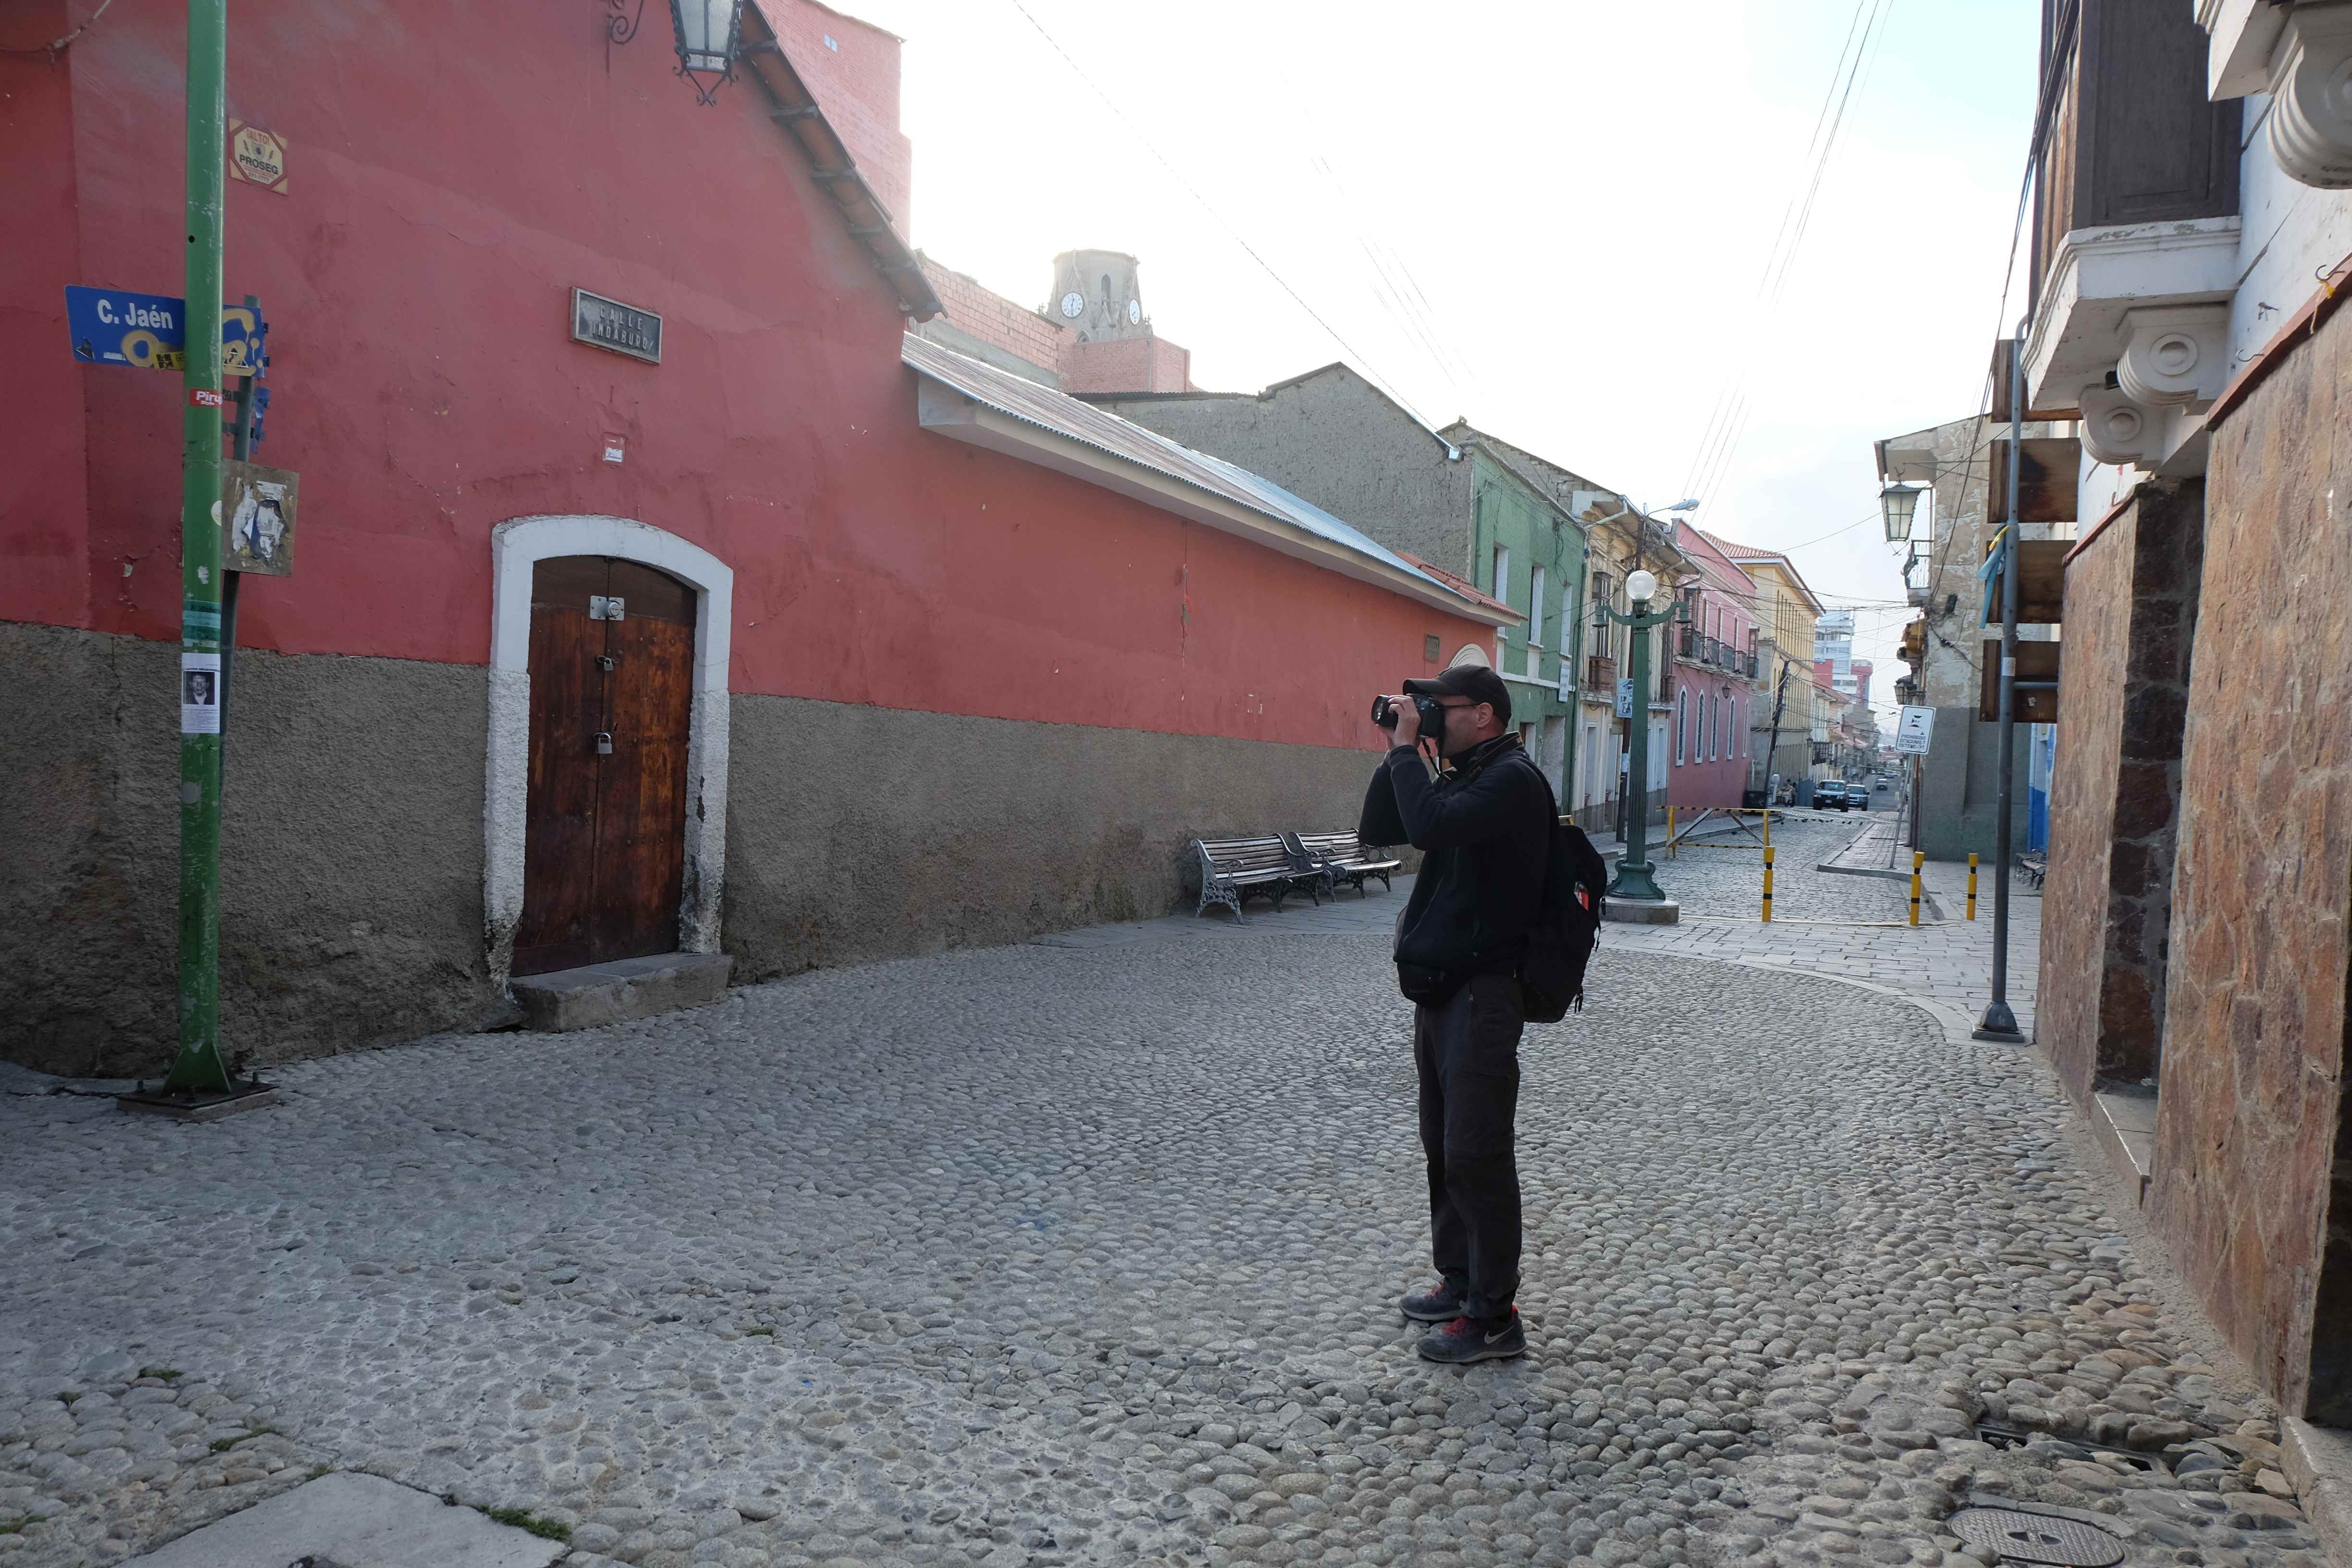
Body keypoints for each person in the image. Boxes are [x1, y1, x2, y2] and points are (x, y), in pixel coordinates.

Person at [1358, 665, 1554, 1364]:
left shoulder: (1511, 780)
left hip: (1484, 991)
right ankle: (1462, 1282)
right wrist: (1401, 749)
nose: (1431, 713)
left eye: (1443, 706)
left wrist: (1411, 751)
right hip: (1442, 990)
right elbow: (1383, 827)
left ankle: (1495, 1317)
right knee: (1443, 1146)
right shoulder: (1464, 775)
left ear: (1486, 714)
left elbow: (1431, 828)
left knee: (1477, 1152)